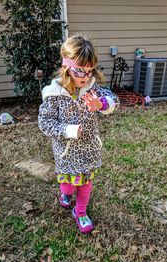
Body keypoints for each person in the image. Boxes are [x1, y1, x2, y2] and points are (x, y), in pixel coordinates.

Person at [38, 35, 119, 234]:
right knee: (67, 185)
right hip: (66, 153)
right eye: (80, 70)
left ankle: (80, 211)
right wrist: (69, 130)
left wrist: (101, 104)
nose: (85, 76)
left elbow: (113, 99)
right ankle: (65, 194)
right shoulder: (53, 94)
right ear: (67, 67)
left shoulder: (92, 87)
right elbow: (45, 122)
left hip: (89, 150)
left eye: (90, 70)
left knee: (85, 184)